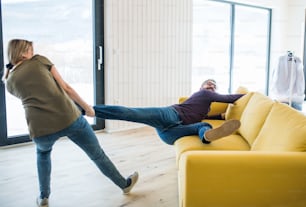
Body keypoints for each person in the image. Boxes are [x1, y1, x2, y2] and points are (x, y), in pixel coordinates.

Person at [2, 39, 138, 207]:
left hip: (40, 129)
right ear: (23, 52)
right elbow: (66, 88)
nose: (32, 52)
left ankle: (44, 197)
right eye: (30, 49)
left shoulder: (9, 82)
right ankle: (124, 185)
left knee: (43, 155)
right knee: (97, 155)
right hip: (69, 118)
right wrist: (87, 108)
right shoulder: (39, 61)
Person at [93, 79, 244, 145]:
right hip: (170, 114)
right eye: (208, 84)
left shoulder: (205, 105)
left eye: (214, 85)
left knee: (202, 124)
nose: (212, 86)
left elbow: (202, 115)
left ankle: (205, 137)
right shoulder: (204, 94)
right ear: (201, 87)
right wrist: (249, 95)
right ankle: (91, 110)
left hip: (169, 133)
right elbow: (229, 98)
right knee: (131, 113)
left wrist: (220, 116)